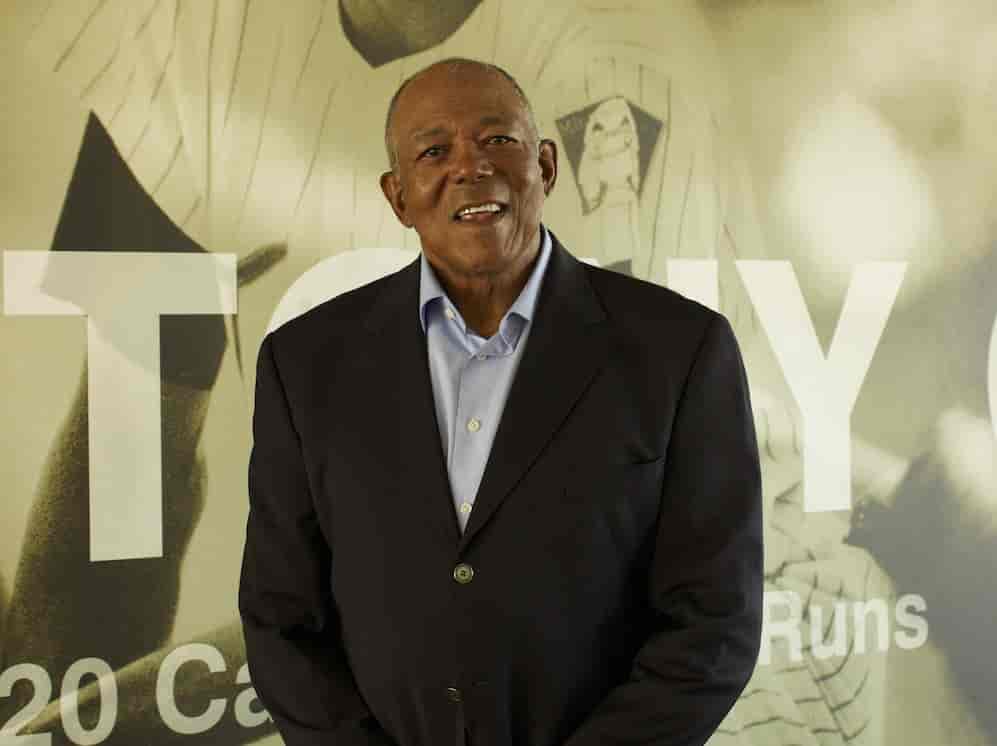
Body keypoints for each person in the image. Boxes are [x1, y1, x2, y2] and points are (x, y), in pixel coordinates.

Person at [238, 57, 763, 746]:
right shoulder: (305, 362)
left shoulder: (679, 349)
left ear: (545, 165)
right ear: (397, 197)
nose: (470, 165)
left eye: (497, 139)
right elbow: (281, 617)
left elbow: (713, 623)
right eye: (434, 151)